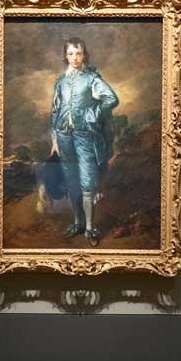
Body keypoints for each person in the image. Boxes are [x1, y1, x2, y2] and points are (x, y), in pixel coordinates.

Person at [49, 37, 119, 247]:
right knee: (71, 181)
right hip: (63, 137)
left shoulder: (91, 79)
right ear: (65, 55)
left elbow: (111, 98)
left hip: (85, 136)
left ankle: (90, 228)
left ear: (84, 55)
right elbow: (54, 110)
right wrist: (54, 140)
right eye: (70, 53)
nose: (74, 57)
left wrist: (93, 113)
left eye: (78, 53)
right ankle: (77, 223)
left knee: (88, 182)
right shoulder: (60, 81)